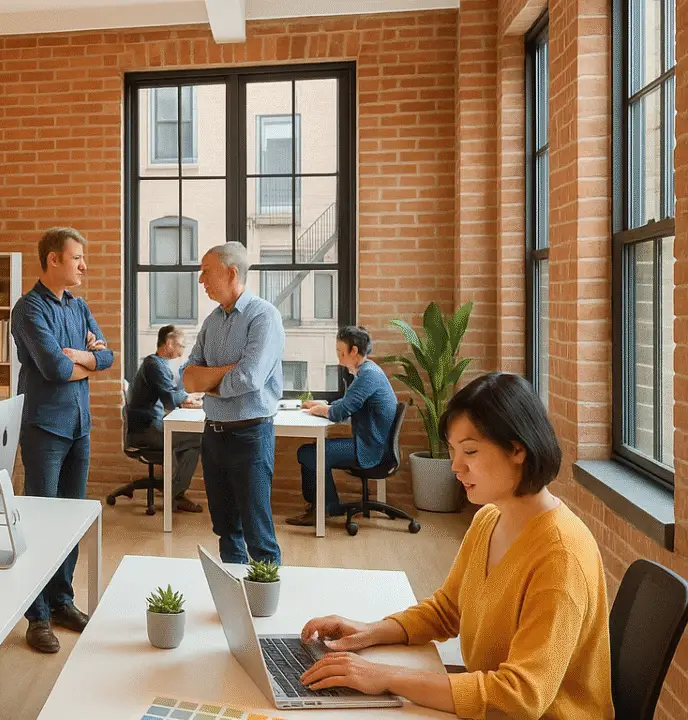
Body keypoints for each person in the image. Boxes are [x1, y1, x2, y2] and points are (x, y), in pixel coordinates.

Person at [298, 372, 611, 718]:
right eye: (452, 451)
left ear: (517, 449)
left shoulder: (561, 557)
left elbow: (520, 697)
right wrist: (368, 631)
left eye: (471, 451)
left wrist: (385, 677)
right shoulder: (489, 519)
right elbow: (448, 610)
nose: (456, 467)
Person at [10, 226, 114, 654]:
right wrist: (87, 360)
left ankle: (62, 600)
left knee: (70, 520)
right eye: (77, 258)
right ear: (53, 259)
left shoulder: (79, 305)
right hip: (43, 429)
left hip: (79, 426)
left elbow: (108, 356)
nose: (84, 265)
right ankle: (36, 615)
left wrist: (86, 358)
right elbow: (53, 369)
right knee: (39, 520)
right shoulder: (28, 309)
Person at [182, 242, 284, 565]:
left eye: (206, 272)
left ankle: (265, 610)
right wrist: (227, 372)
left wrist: (209, 381)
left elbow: (251, 378)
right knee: (226, 529)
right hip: (213, 435)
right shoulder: (211, 322)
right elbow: (188, 378)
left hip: (250, 435)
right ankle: (235, 605)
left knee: (258, 533)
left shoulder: (264, 316)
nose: (201, 280)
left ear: (231, 273)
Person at [286, 326, 397, 526]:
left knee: (309, 453)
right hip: (371, 443)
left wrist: (322, 409)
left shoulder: (368, 376)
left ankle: (325, 508)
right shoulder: (368, 372)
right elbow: (346, 403)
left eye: (340, 352)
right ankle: (328, 505)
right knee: (311, 452)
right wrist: (324, 406)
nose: (338, 357)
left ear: (354, 351)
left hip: (370, 449)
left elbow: (340, 412)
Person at [125, 324, 203, 512]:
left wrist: (186, 397)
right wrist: (187, 398)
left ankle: (175, 492)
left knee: (191, 445)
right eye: (181, 345)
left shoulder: (157, 364)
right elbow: (169, 399)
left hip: (149, 426)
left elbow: (171, 394)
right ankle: (174, 495)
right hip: (146, 430)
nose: (183, 349)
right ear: (169, 343)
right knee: (198, 440)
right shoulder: (154, 365)